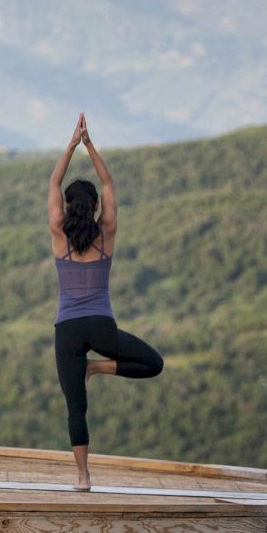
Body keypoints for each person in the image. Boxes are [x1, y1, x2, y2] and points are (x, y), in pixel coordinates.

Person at [47, 112, 163, 489]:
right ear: (96, 207)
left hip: (66, 330)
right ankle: (96, 368)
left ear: (66, 207)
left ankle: (83, 478)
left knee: (76, 407)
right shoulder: (105, 235)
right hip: (100, 326)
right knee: (152, 363)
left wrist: (69, 145)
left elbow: (53, 180)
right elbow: (109, 181)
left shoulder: (58, 236)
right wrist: (89, 145)